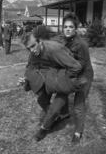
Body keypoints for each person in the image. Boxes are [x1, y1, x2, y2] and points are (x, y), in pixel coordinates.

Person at [18, 25, 86, 142]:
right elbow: (30, 67)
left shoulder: (54, 49)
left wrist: (61, 80)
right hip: (50, 77)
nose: (32, 50)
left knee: (55, 107)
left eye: (33, 46)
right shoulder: (33, 54)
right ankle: (62, 115)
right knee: (42, 100)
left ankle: (44, 128)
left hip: (64, 76)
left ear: (40, 41)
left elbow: (76, 67)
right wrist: (26, 79)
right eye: (29, 48)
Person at [58, 12, 94, 143]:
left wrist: (66, 75)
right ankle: (65, 113)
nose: (67, 29)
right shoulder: (64, 40)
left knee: (78, 104)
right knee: (62, 91)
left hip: (84, 75)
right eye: (65, 27)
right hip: (73, 73)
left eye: (71, 27)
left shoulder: (81, 44)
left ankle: (78, 131)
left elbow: (81, 65)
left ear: (75, 29)